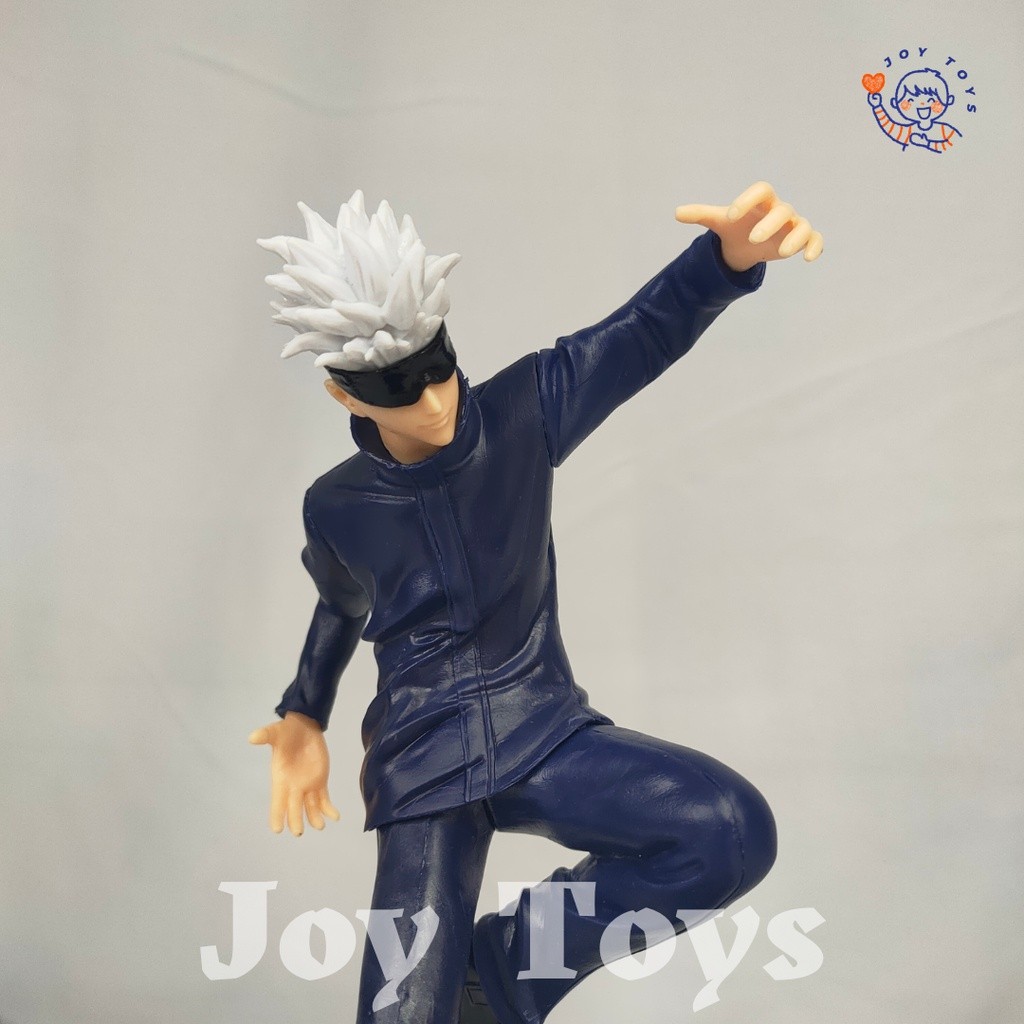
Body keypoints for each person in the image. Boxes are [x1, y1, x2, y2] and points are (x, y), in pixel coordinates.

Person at [249, 182, 824, 1022]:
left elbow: (640, 334)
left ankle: (505, 970)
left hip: (541, 730)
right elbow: (340, 605)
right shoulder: (335, 506)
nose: (436, 400)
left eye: (439, 365)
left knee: (725, 832)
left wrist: (724, 260)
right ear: (345, 393)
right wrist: (304, 714)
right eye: (398, 386)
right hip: (424, 764)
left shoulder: (524, 411)